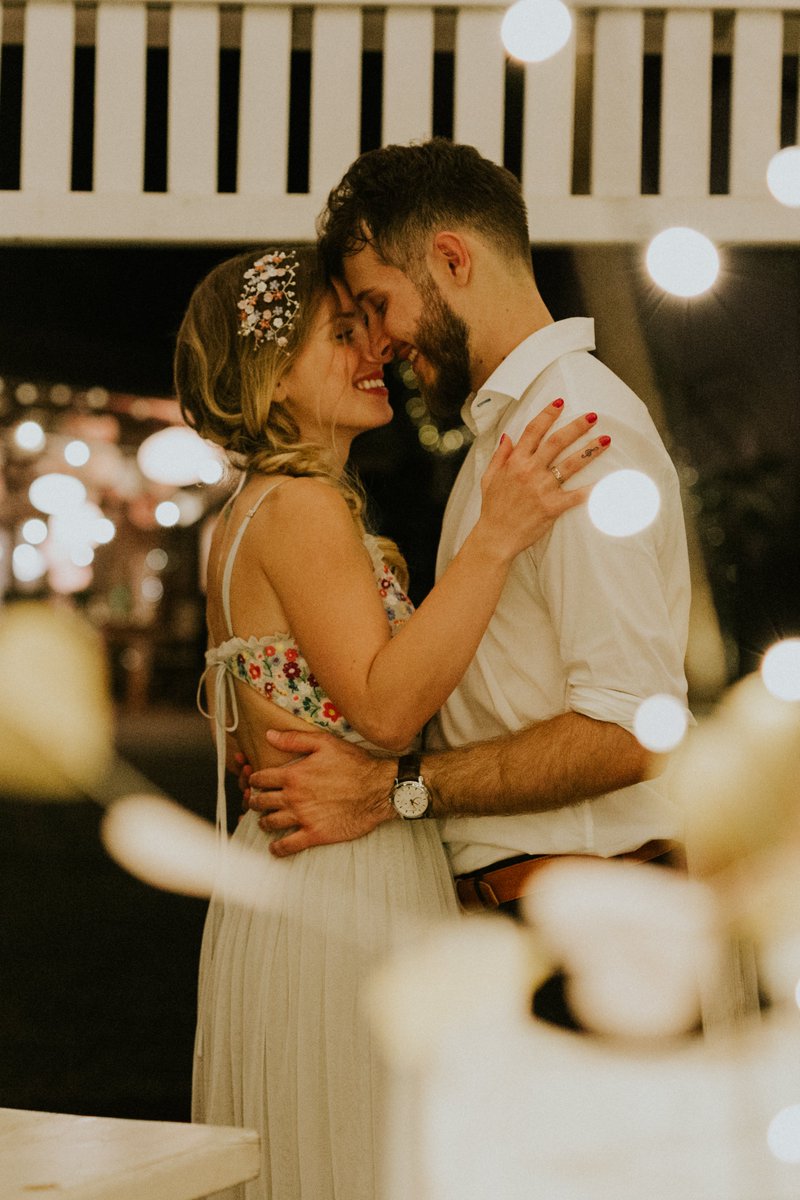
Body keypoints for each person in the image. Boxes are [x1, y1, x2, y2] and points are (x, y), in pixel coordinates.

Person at [175, 243, 609, 1198]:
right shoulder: (299, 509)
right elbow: (386, 704)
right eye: (342, 333)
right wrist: (497, 537)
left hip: (305, 865)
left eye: (369, 324)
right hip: (342, 872)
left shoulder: (258, 509)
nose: (375, 348)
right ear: (268, 376)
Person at [243, 142, 692, 1021]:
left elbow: (630, 730)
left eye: (378, 305)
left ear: (451, 259)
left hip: (583, 934)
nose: (379, 343)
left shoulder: (574, 426)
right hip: (534, 923)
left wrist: (394, 788)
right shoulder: (509, 434)